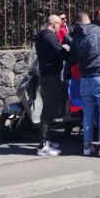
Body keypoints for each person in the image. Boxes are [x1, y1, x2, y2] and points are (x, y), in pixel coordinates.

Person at [67, 12, 100, 157]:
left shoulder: (75, 39)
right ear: (89, 21)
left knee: (87, 113)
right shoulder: (97, 30)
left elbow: (74, 58)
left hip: (85, 79)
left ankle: (87, 147)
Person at [34, 15, 69, 156]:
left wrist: (61, 47)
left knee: (48, 108)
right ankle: (43, 145)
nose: (59, 28)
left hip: (46, 75)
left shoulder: (42, 35)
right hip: (51, 77)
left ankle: (46, 140)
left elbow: (53, 50)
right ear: (54, 24)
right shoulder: (50, 36)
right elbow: (62, 54)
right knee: (49, 109)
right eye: (59, 25)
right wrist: (66, 49)